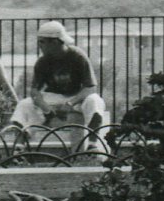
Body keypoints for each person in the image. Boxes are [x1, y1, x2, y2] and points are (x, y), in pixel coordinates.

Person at [9, 21, 108, 153]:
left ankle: (92, 145)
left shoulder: (77, 56)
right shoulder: (43, 61)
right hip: (54, 97)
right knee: (24, 104)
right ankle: (19, 148)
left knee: (95, 101)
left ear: (54, 42)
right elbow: (34, 91)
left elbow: (90, 87)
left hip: (77, 97)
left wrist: (71, 103)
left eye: (42, 42)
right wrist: (45, 108)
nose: (39, 45)